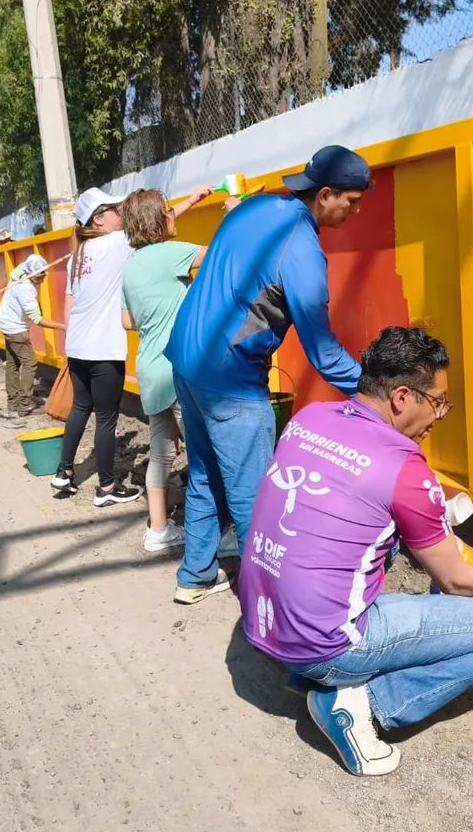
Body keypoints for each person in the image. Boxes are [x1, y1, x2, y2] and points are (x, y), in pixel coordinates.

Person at [239, 326, 473, 776]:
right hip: (323, 643)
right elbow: (456, 580)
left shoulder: (310, 418)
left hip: (264, 621)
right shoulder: (406, 465)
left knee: (373, 548)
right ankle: (356, 703)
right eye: (438, 401)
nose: (440, 415)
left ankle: (311, 672)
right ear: (403, 397)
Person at [164, 144, 370, 603]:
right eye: (352, 202)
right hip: (230, 380)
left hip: (185, 359)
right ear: (326, 194)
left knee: (204, 472)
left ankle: (195, 575)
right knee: (255, 495)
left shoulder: (254, 207)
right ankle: (268, 602)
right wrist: (371, 390)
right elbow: (323, 353)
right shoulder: (303, 251)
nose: (355, 212)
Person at [119, 185, 216, 553]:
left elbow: (128, 321)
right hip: (180, 368)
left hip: (149, 368)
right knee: (203, 450)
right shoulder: (172, 254)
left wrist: (190, 201)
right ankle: (216, 532)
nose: (174, 214)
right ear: (159, 220)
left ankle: (158, 529)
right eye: (169, 211)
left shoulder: (131, 266)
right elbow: (220, 256)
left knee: (161, 452)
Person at [50, 187, 141, 507]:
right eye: (114, 209)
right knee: (106, 419)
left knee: (81, 409)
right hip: (104, 349)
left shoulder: (79, 254)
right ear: (99, 218)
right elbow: (152, 223)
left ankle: (64, 472)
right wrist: (193, 200)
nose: (120, 213)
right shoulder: (115, 243)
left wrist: (66, 343)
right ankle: (106, 487)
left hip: (78, 347)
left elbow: (69, 301)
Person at [0, 253, 65, 423]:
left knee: (13, 363)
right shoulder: (25, 289)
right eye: (42, 276)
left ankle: (13, 401)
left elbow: (30, 261)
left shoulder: (20, 271)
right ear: (34, 275)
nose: (44, 278)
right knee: (30, 363)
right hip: (16, 329)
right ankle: (25, 404)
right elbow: (37, 319)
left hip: (5, 322)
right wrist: (63, 327)